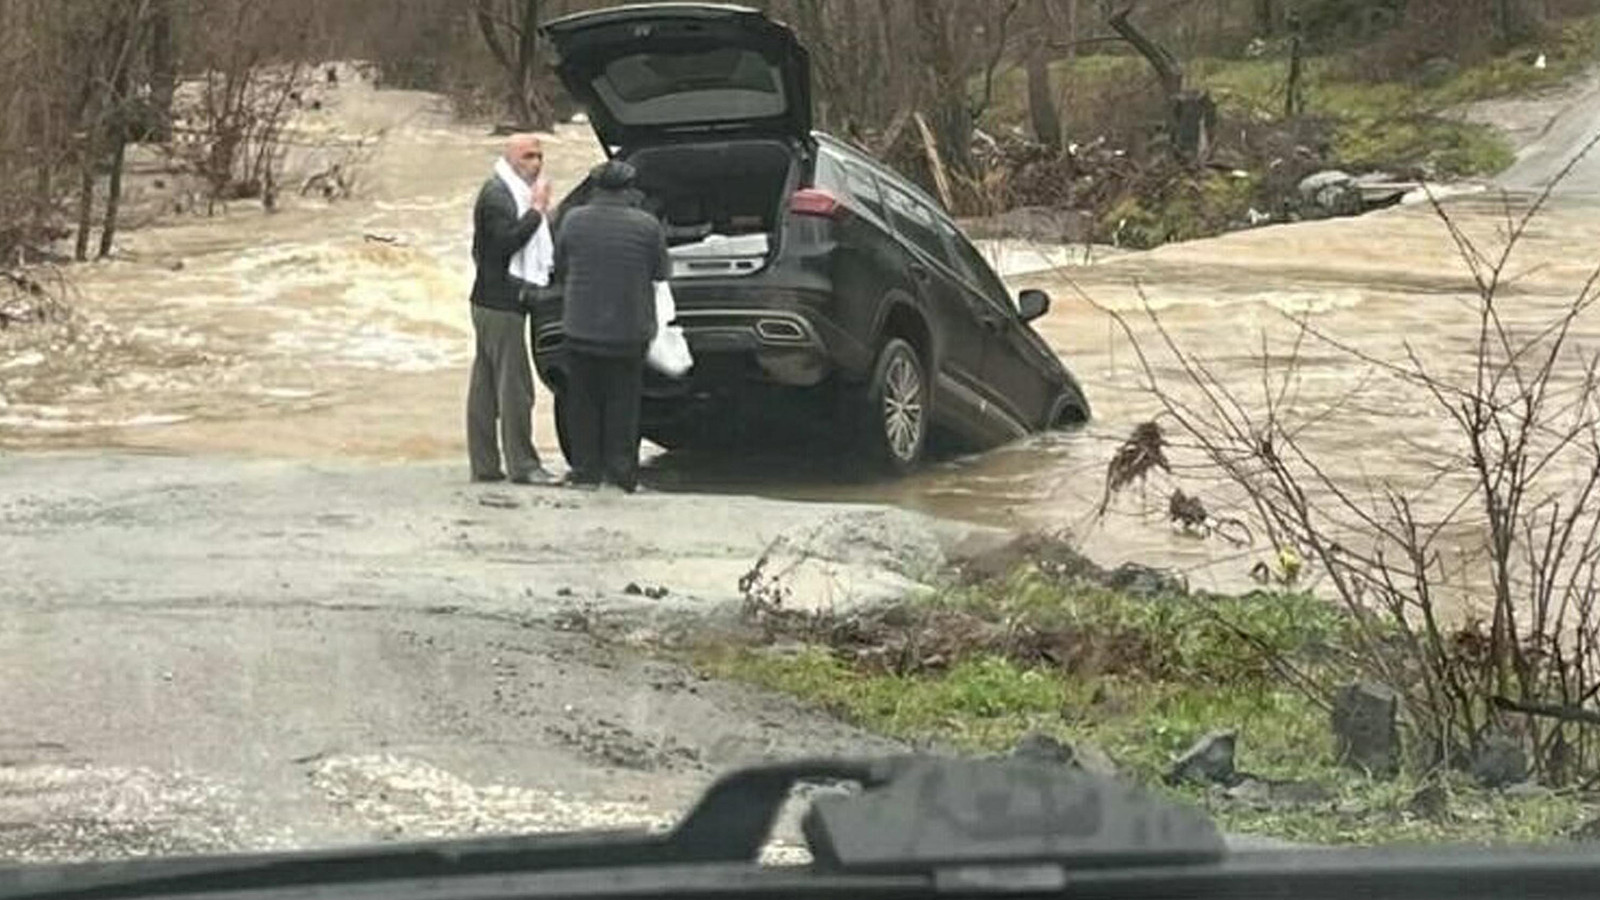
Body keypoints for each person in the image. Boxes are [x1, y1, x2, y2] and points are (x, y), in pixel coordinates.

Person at [552, 160, 669, 493]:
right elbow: (661, 272)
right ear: (629, 190)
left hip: (580, 328)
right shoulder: (647, 225)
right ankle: (621, 474)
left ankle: (586, 472)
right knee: (623, 404)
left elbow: (560, 266)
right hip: (628, 331)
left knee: (583, 403)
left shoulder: (573, 220)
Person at [466, 133, 558, 485]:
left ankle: (486, 465)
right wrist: (537, 211)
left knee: (486, 387)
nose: (535, 164)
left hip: (489, 300)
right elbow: (503, 244)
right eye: (528, 157)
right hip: (500, 303)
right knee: (514, 388)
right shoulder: (498, 196)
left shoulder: (507, 191)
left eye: (539, 157)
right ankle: (523, 465)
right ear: (510, 159)